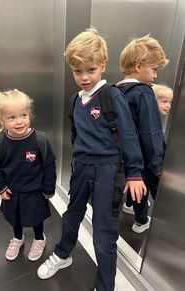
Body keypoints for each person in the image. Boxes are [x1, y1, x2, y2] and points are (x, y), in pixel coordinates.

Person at [37, 27, 146, 291]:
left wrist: (134, 173)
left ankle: (106, 284)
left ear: (103, 66)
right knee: (71, 214)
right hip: (82, 168)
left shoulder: (112, 96)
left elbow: (129, 135)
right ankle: (64, 253)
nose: (84, 77)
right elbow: (78, 133)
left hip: (109, 171)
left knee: (103, 230)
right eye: (78, 71)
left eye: (91, 70)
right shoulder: (76, 100)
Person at [0, 89, 56, 262]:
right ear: (1, 120)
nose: (19, 122)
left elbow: (49, 165)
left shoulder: (39, 140)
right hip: (12, 192)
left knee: (36, 218)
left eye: (23, 115)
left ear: (29, 114)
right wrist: (0, 186)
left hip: (35, 192)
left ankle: (39, 238)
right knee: (15, 218)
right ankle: (18, 238)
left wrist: (48, 189)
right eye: (11, 117)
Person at [117, 35, 169, 229]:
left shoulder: (116, 90)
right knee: (152, 189)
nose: (155, 76)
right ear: (139, 66)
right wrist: (158, 165)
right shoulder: (143, 92)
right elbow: (151, 132)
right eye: (154, 69)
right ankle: (146, 223)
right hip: (147, 157)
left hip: (128, 157)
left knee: (136, 183)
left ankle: (132, 210)